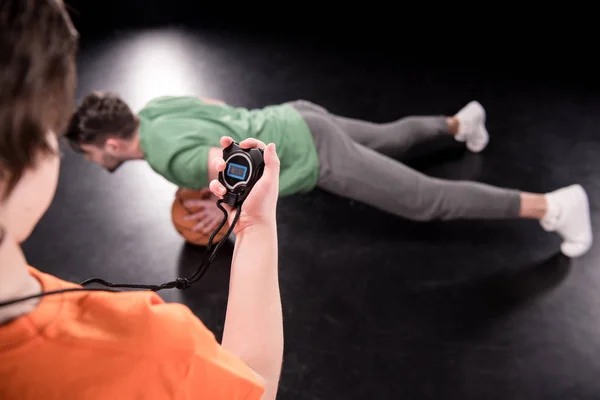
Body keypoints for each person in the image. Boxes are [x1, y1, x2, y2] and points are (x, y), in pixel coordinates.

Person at [0, 1, 283, 399]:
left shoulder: (173, 161)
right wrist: (256, 225)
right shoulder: (149, 350)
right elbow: (256, 385)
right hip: (292, 118)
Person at [65, 92, 593, 257]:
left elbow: (241, 165)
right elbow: (216, 107)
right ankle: (461, 123)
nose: (92, 161)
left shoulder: (166, 159)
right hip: (295, 114)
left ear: (111, 143)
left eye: (89, 153)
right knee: (388, 137)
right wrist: (238, 136)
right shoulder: (153, 108)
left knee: (426, 200)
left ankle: (553, 206)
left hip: (308, 148)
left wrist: (224, 206)